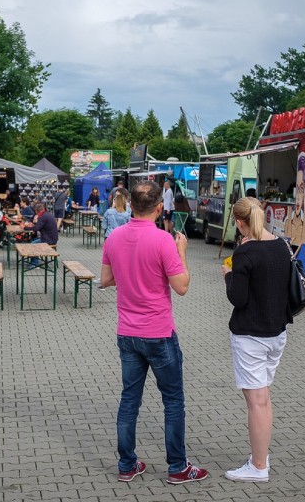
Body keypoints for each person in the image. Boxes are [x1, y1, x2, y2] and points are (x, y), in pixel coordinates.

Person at [100, 180, 208, 485]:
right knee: (173, 401)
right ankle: (177, 467)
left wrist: (130, 273)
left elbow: (106, 280)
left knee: (129, 399)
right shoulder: (163, 241)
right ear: (160, 207)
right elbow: (182, 286)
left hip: (127, 333)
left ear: (130, 205)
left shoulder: (114, 238)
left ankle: (127, 464)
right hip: (159, 334)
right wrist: (182, 250)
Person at [220, 196, 292, 482]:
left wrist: (228, 274)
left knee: (257, 401)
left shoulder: (245, 254)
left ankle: (259, 466)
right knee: (264, 397)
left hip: (251, 335)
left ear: (239, 223)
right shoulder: (281, 246)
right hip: (277, 333)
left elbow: (238, 297)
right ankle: (260, 455)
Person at [23, 201, 58, 268]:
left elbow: (36, 228)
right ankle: (33, 260)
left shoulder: (43, 217)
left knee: (33, 244)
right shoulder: (46, 214)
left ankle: (35, 264)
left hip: (49, 240)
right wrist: (33, 225)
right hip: (51, 238)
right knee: (34, 239)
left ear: (37, 211)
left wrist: (24, 227)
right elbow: (39, 227)